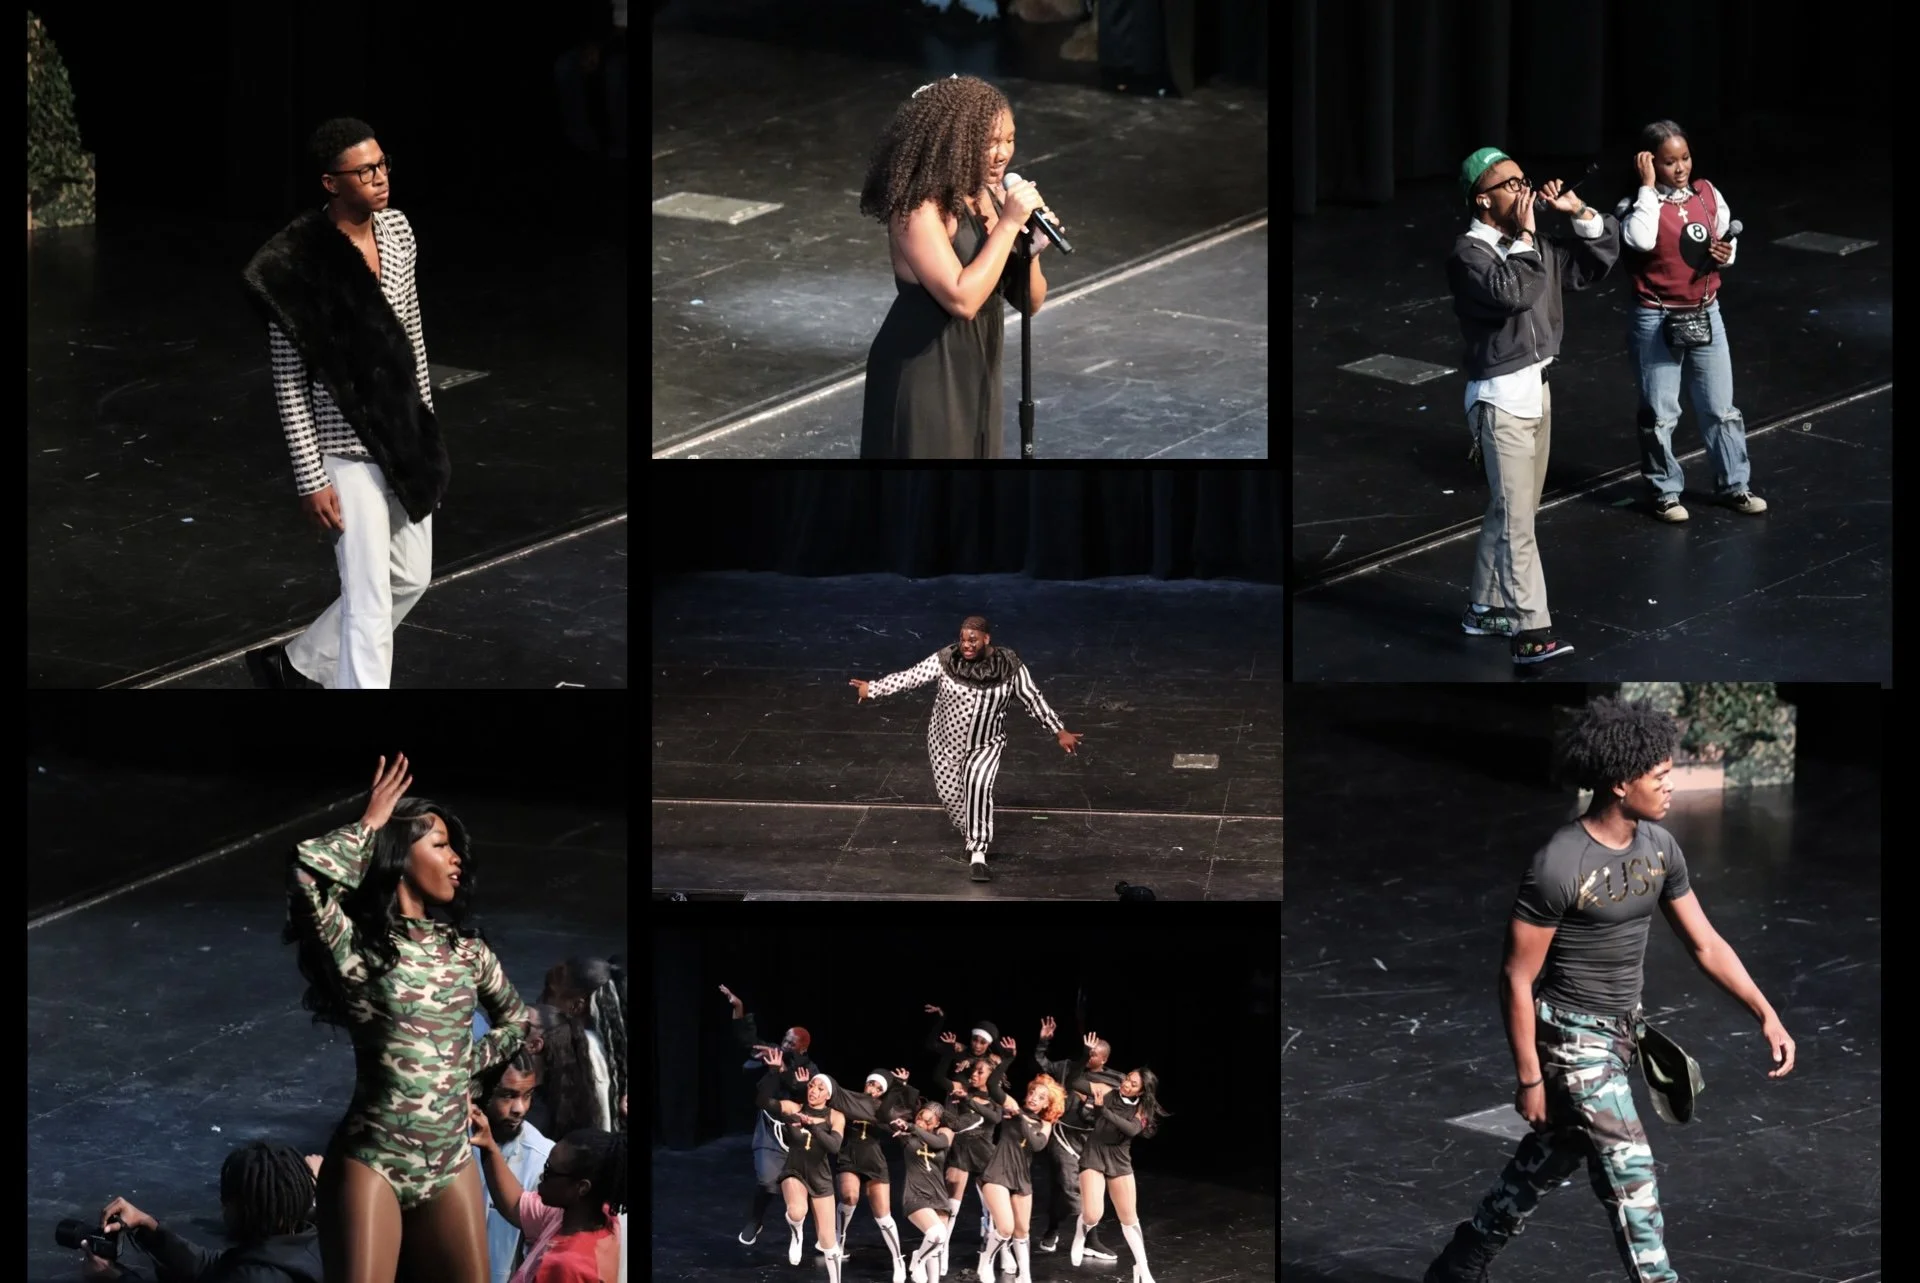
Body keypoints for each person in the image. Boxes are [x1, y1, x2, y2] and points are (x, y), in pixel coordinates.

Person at [1422, 696, 1797, 1283]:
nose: (1671, 788)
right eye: (1660, 778)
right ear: (1622, 783)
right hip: (1573, 1039)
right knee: (1632, 1176)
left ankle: (1462, 1259)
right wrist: (1529, 1078)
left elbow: (1706, 944)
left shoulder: (1659, 848)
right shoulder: (1559, 864)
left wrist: (1765, 1014)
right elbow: (1516, 977)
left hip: (1626, 1031)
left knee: (1558, 1153)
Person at [280, 753, 534, 1283]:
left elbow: (514, 1022)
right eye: (440, 845)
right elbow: (306, 875)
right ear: (400, 855)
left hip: (450, 1163)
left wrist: (462, 1063)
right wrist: (371, 823)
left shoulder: (467, 953)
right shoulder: (356, 948)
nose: (456, 858)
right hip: (373, 1160)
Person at [240, 118, 446, 689]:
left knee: (410, 577)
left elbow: (413, 341)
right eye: (366, 171)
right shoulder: (295, 265)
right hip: (343, 449)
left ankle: (296, 664)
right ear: (332, 183)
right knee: (369, 600)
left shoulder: (398, 231)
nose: (380, 179)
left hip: (402, 440)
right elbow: (288, 380)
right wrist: (311, 477)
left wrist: (424, 429)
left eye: (382, 165)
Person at [1447, 146, 1621, 666]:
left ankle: (1484, 608)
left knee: (1513, 511)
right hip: (1499, 401)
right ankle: (1531, 632)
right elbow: (1512, 294)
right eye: (1512, 184)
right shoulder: (1469, 254)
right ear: (1483, 199)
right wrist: (1525, 236)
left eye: (1525, 181)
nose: (1525, 191)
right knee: (1518, 521)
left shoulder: (1535, 245)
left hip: (1535, 392)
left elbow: (1594, 264)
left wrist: (1578, 212)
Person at [857, 74, 1060, 458]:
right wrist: (1009, 225)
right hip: (925, 371)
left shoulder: (989, 198)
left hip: (976, 366)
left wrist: (1030, 251)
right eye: (989, 143)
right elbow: (962, 299)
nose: (1001, 153)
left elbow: (1029, 302)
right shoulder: (918, 207)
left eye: (1009, 140)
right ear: (956, 142)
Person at [1612, 120, 1765, 524]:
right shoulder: (1635, 207)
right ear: (1648, 163)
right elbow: (1641, 241)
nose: (1680, 168)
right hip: (1656, 317)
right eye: (1667, 161)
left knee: (1720, 407)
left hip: (1705, 309)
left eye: (1684, 158)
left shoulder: (1707, 194)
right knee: (1661, 412)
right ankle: (1664, 491)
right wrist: (1647, 187)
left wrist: (1723, 254)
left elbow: (1725, 246)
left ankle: (1735, 484)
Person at [850, 617, 1080, 882]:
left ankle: (978, 853)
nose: (967, 645)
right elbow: (911, 677)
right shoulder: (948, 659)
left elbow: (1033, 698)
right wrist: (874, 689)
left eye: (973, 639)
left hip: (986, 744)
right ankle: (970, 830)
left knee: (979, 786)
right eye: (963, 638)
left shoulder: (1010, 667)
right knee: (949, 795)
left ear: (986, 639)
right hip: (945, 742)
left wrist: (1058, 730)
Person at [83, 1142, 324, 1282]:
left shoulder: (255, 1277)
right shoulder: (310, 1242)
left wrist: (115, 1278)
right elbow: (214, 1266)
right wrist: (148, 1227)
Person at [468, 1111, 626, 1283]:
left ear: (581, 1187)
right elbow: (515, 1203)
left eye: (550, 1170)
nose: (542, 1176)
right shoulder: (592, 1215)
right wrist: (489, 1146)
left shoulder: (565, 1266)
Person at [723, 985, 821, 1246]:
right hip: (770, 1127)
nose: (785, 1045)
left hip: (797, 1131)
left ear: (802, 1049)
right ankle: (756, 1219)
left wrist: (782, 1072)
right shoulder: (773, 1051)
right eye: (785, 1039)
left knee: (809, 1187)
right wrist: (738, 1007)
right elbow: (747, 1039)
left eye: (791, 1043)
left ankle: (821, 1235)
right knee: (767, 1182)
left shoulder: (809, 1068)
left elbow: (803, 1091)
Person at [1029, 1021, 1121, 1262]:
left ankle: (1072, 1234)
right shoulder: (1068, 1068)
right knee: (1069, 1186)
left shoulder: (1113, 1080)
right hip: (1063, 1136)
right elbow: (1042, 1063)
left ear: (1103, 1060)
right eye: (1087, 1053)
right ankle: (1078, 1234)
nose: (1089, 1057)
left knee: (1080, 1191)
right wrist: (1043, 1041)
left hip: (1092, 1140)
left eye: (1093, 1055)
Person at [1070, 1068, 1168, 1282]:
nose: (1126, 1084)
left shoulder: (1143, 1108)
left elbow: (1131, 1130)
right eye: (1127, 1079)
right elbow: (1075, 1081)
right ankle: (1081, 1232)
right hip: (1095, 1151)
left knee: (1130, 1218)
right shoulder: (1107, 1091)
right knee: (1093, 1214)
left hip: (1119, 1157)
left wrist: (1102, 1110)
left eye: (1133, 1084)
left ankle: (1143, 1268)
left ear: (1141, 1092)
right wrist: (1084, 1057)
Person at [970, 1064, 1065, 1283]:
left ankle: (1025, 1275)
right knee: (1005, 1227)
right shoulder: (1012, 1107)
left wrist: (1021, 1119)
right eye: (1032, 1092)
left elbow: (1037, 1144)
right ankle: (985, 1261)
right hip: (997, 1173)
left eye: (1040, 1097)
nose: (1033, 1098)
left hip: (1021, 1179)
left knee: (1022, 1230)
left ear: (1046, 1104)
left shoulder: (1045, 1124)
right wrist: (1007, 1059)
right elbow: (994, 1086)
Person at [760, 1054, 850, 1283]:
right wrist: (773, 1074)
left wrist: (814, 1126)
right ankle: (797, 1233)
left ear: (828, 1095)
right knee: (797, 1211)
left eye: (820, 1088)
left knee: (828, 1240)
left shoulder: (836, 1117)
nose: (813, 1090)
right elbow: (762, 1101)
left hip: (820, 1176)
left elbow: (834, 1147)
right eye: (811, 1085)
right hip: (796, 1169)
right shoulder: (794, 1108)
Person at [473, 1050, 556, 1283]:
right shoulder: (449, 1148)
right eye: (507, 1096)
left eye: (527, 1095)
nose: (520, 1108)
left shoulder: (542, 1159)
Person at [828, 1068, 916, 1280]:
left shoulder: (886, 1110)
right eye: (871, 1085)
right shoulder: (850, 1101)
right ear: (865, 1084)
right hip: (849, 1157)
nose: (873, 1090)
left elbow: (909, 1112)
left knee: (883, 1215)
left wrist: (902, 1086)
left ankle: (898, 1260)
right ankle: (839, 1241)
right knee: (849, 1197)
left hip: (874, 1161)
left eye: (879, 1088)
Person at [887, 1100, 957, 1283]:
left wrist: (914, 1128)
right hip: (915, 1194)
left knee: (937, 1245)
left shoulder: (944, 1133)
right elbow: (889, 1116)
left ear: (936, 1123)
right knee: (937, 1235)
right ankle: (917, 1260)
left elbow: (940, 1143)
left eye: (927, 1121)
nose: (921, 1123)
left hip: (938, 1195)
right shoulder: (907, 1135)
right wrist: (907, 1128)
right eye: (920, 1118)